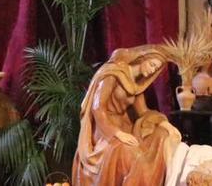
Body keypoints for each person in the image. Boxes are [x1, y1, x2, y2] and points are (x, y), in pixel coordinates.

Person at [72, 45, 182, 185]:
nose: (152, 70)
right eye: (152, 64)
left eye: (156, 69)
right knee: (130, 153)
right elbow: (97, 108)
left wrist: (164, 124)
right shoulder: (112, 74)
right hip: (105, 130)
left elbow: (143, 112)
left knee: (160, 135)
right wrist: (117, 133)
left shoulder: (137, 85)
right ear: (142, 58)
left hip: (125, 127)